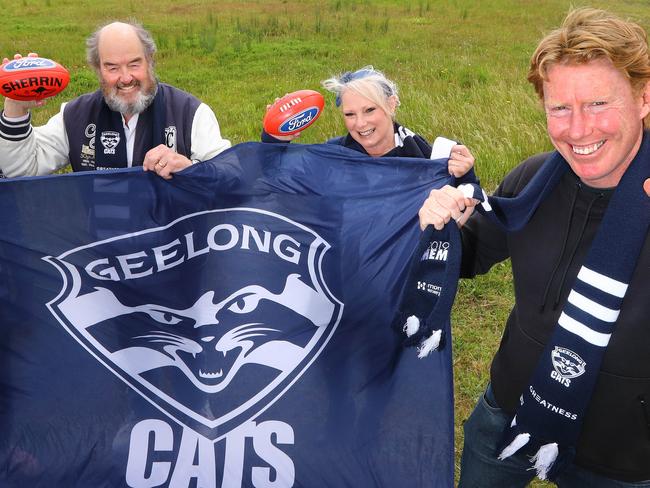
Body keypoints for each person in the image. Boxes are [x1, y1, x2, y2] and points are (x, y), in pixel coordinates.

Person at [419, 7, 650, 487]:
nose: (578, 130)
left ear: (643, 98)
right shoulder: (535, 179)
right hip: (508, 409)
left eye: (598, 104)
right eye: (559, 108)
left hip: (621, 451)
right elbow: (471, 253)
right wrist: (438, 226)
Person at [0, 21, 231, 180]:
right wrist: (15, 105)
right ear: (98, 69)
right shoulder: (75, 116)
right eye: (112, 67)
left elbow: (231, 176)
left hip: (173, 247)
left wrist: (190, 169)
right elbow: (21, 171)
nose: (126, 78)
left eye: (134, 64)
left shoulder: (190, 113)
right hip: (101, 247)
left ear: (150, 61)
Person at [262, 66, 474, 175]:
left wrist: (464, 175)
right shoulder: (336, 154)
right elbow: (277, 177)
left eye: (370, 110)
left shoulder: (427, 157)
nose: (360, 123)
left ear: (391, 105)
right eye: (350, 114)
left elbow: (465, 217)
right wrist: (274, 139)